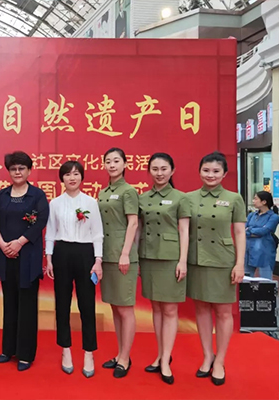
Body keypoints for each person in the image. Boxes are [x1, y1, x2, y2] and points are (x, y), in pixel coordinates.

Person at [186, 151, 246, 386]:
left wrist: (239, 263)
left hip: (222, 260)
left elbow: (239, 232)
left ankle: (220, 360)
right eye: (206, 170)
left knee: (223, 312)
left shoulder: (234, 198)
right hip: (197, 259)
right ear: (199, 171)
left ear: (224, 174)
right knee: (201, 309)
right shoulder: (189, 198)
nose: (210, 175)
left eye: (215, 171)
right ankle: (207, 355)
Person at [45, 161, 103, 378]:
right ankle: (66, 349)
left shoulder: (91, 202)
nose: (72, 178)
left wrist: (98, 260)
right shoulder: (55, 203)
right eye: (68, 174)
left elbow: (97, 233)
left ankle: (89, 352)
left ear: (82, 177)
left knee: (87, 304)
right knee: (62, 303)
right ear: (62, 178)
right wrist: (49, 258)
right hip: (62, 253)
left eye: (76, 174)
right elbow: (50, 231)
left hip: (85, 253)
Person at [136, 153, 190, 385]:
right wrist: (135, 256)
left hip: (170, 258)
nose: (159, 173)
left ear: (172, 170)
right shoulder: (142, 198)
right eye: (155, 169)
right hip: (148, 256)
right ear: (149, 171)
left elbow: (184, 231)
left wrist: (183, 260)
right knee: (156, 308)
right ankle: (160, 355)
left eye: (164, 168)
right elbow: (138, 229)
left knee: (169, 309)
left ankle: (166, 359)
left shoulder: (181, 198)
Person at [0, 151, 49, 372]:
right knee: (9, 303)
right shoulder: (2, 195)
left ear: (29, 170)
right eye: (13, 169)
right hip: (5, 256)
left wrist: (19, 243)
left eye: (21, 168)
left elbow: (40, 222)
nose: (17, 172)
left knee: (27, 305)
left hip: (28, 257)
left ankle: (25, 354)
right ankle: (8, 349)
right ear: (9, 171)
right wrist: (2, 245)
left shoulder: (37, 195)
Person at [97, 147, 139, 379]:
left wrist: (125, 253)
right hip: (106, 255)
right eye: (108, 161)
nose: (112, 165)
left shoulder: (128, 191)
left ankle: (125, 357)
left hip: (123, 256)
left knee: (125, 307)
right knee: (114, 306)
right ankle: (121, 353)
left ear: (125, 164)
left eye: (116, 161)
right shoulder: (103, 192)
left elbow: (133, 223)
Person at [245, 191, 279, 280]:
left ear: (264, 202)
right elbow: (243, 230)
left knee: (266, 280)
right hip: (248, 250)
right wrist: (255, 231)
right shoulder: (251, 215)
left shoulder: (273, 217)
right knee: (246, 279)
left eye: (255, 199)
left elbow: (264, 231)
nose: (253, 201)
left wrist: (250, 230)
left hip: (264, 251)